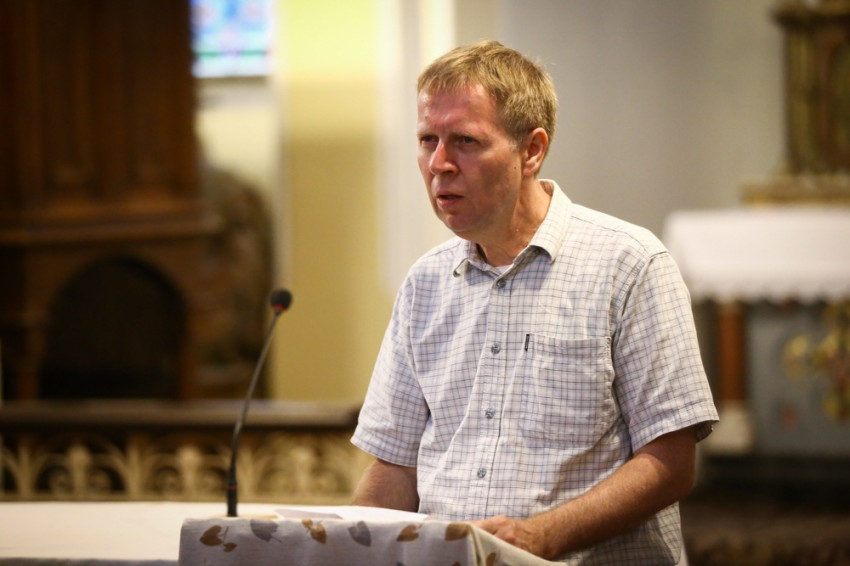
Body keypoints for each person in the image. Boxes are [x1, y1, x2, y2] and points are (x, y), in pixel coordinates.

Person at [350, 40, 718, 565]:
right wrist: (348, 547)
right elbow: (395, 465)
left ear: (532, 150)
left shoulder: (629, 265)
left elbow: (670, 463)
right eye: (428, 139)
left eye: (465, 141)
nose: (439, 164)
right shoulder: (424, 283)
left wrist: (540, 538)